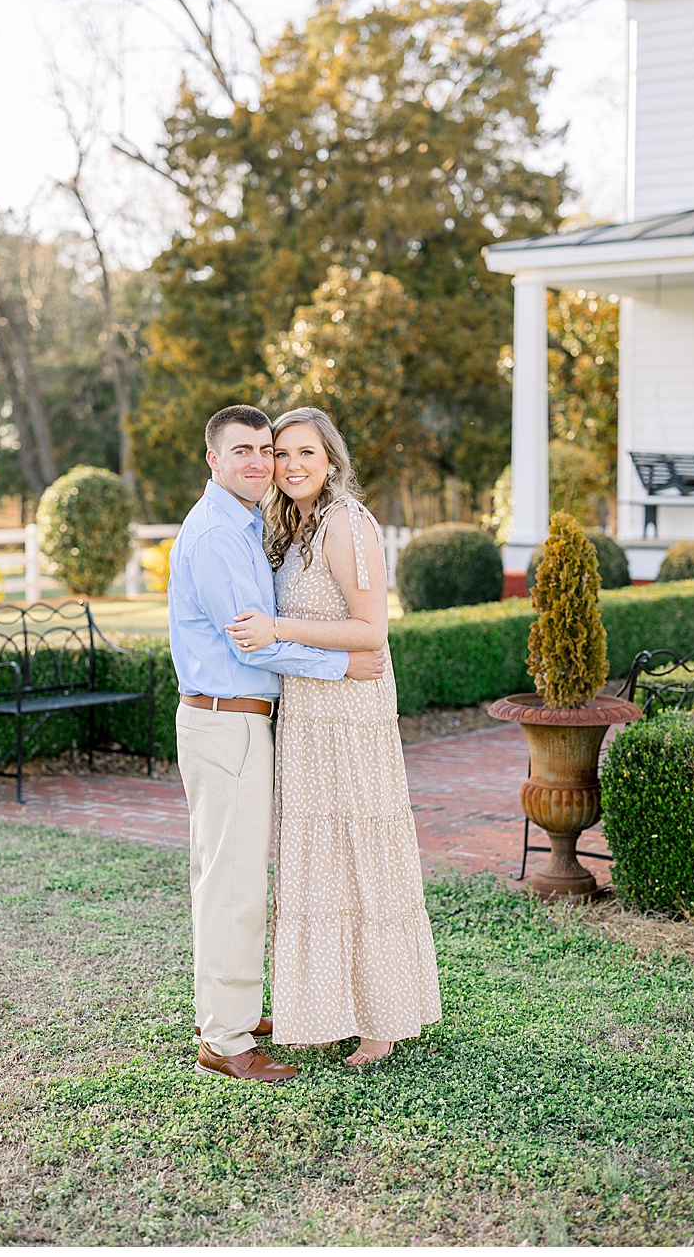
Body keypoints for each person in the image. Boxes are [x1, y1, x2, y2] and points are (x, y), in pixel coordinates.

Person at [169, 405, 388, 1084]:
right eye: (245, 451)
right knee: (232, 884)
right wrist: (343, 666)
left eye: (267, 449)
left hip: (238, 720)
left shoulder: (249, 526)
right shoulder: (215, 535)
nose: (261, 462)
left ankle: (227, 1009)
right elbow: (252, 636)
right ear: (213, 458)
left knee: (227, 876)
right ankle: (227, 1041)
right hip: (226, 719)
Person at [225, 408, 441, 1070]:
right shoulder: (291, 528)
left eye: (304, 453)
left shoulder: (347, 523)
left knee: (359, 852)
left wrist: (279, 629)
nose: (291, 466)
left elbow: (372, 631)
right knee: (317, 861)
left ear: (330, 460)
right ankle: (323, 1010)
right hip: (307, 714)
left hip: (351, 711)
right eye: (281, 454)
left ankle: (382, 1022)